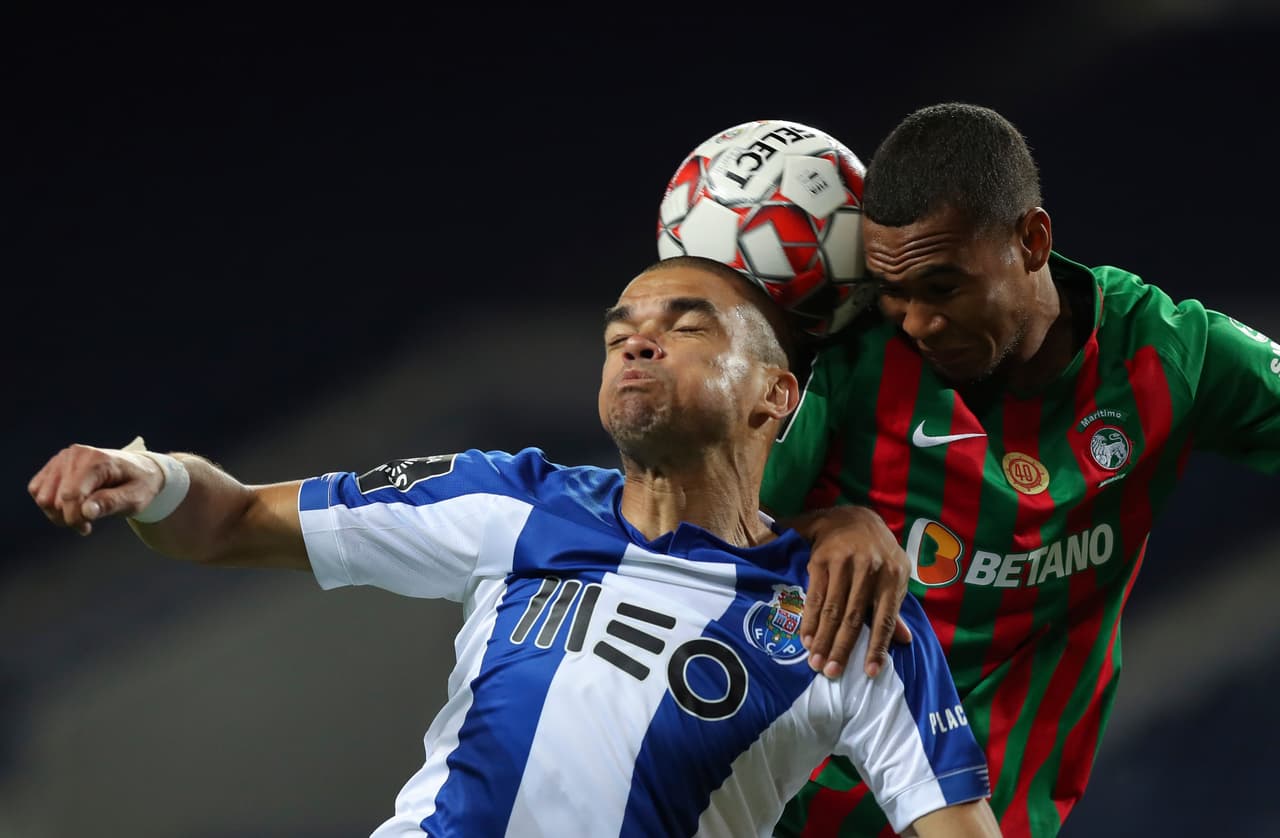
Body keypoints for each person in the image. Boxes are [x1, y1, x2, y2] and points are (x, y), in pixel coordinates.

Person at [28, 255, 1002, 838]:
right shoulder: (510, 498)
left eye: (684, 325)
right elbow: (233, 521)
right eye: (619, 328)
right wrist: (154, 477)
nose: (635, 341)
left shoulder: (847, 612)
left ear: (773, 395)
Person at [760, 102, 1280, 838]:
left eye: (942, 287)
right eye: (894, 294)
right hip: (791, 808)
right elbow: (692, 537)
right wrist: (822, 523)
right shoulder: (849, 363)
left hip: (993, 820)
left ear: (1032, 240)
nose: (915, 321)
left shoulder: (1164, 352)